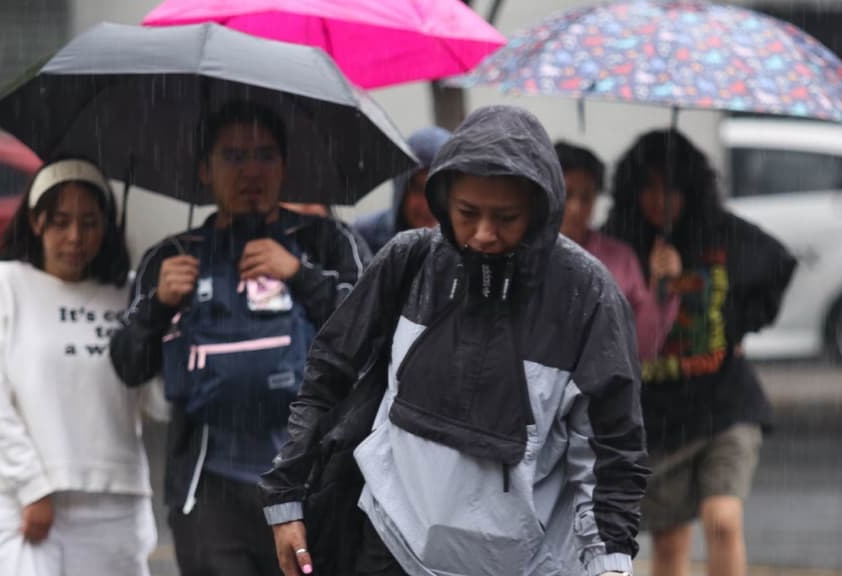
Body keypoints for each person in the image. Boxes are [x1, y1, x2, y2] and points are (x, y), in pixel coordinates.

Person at [262, 105, 649, 576]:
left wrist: (610, 563)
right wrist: (286, 499)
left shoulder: (586, 295)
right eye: (467, 213)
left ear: (539, 210)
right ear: (444, 202)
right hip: (389, 546)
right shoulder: (409, 261)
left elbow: (611, 450)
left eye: (506, 217)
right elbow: (328, 374)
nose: (483, 234)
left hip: (528, 566)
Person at [110, 101, 369, 576]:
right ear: (204, 169)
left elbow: (369, 335)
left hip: (312, 484)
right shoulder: (172, 257)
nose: (251, 170)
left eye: (265, 155)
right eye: (232, 156)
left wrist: (300, 274)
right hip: (209, 493)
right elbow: (128, 364)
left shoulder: (328, 241)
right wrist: (160, 304)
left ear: (285, 166)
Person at [602, 130, 797, 576]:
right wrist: (653, 283)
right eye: (649, 186)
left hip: (725, 404)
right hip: (658, 417)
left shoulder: (721, 233)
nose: (660, 199)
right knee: (670, 542)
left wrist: (737, 325)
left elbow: (778, 265)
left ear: (690, 187)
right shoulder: (619, 243)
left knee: (722, 521)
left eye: (671, 186)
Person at [0, 158, 156, 575]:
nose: (75, 237)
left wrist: (163, 317)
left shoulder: (130, 294)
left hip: (116, 503)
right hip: (23, 504)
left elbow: (157, 403)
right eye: (60, 221)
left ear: (106, 227)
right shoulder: (2, 285)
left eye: (89, 223)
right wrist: (32, 488)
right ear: (36, 221)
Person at [555, 140, 680, 360]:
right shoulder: (528, 253)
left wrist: (662, 288)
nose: (576, 208)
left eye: (586, 197)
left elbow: (643, 346)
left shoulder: (621, 258)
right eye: (567, 194)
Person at [354, 126, 451, 253]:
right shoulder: (363, 238)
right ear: (401, 191)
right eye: (417, 189)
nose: (427, 205)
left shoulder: (470, 247)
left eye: (437, 191)